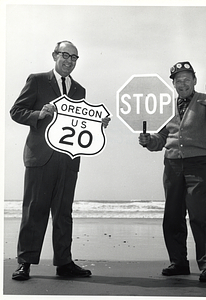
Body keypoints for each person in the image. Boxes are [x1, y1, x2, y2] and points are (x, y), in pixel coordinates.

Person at [10, 40, 111, 281]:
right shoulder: (36, 80)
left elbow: (79, 123)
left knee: (64, 213)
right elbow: (16, 111)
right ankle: (25, 262)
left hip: (68, 161)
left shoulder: (79, 90)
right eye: (65, 55)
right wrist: (39, 114)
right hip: (40, 159)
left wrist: (98, 124)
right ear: (55, 55)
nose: (69, 61)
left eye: (74, 57)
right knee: (34, 210)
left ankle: (64, 262)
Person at [139, 61, 206, 282]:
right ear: (174, 84)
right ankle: (178, 263)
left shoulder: (205, 101)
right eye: (178, 80)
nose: (182, 83)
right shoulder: (165, 107)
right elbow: (160, 139)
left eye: (187, 79)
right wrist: (149, 140)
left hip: (199, 163)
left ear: (195, 81)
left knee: (200, 213)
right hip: (172, 164)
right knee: (172, 216)